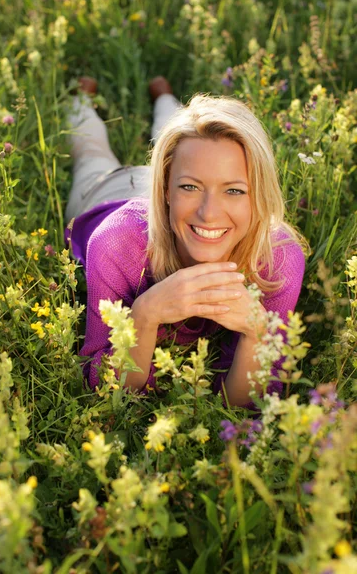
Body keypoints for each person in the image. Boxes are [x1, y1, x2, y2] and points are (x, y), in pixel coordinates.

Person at [65, 76, 305, 407]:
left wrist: (257, 333)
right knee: (91, 153)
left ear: (258, 196)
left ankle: (163, 94)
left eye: (234, 190)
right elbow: (106, 391)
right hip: (107, 193)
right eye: (189, 187)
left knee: (185, 135)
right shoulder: (116, 244)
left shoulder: (278, 258)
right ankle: (80, 99)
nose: (209, 214)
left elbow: (245, 406)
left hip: (171, 196)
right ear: (165, 187)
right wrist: (145, 314)